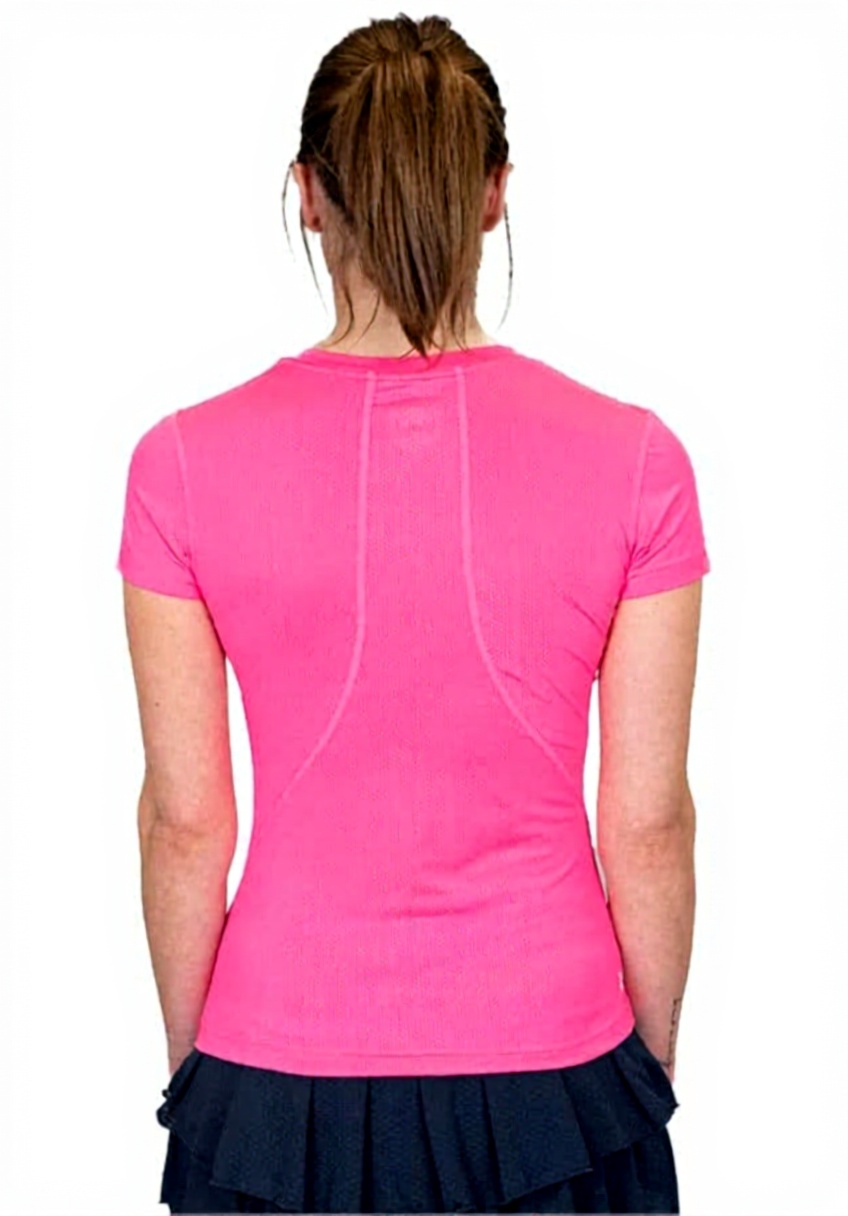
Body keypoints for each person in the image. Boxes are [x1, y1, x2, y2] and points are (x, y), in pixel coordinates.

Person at [117, 13, 710, 1214]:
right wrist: (638, 1068)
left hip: (275, 1074)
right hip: (556, 1070)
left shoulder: (178, 464)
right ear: (493, 194)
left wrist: (200, 1065)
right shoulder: (637, 461)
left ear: (306, 196)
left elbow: (185, 821)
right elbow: (646, 822)